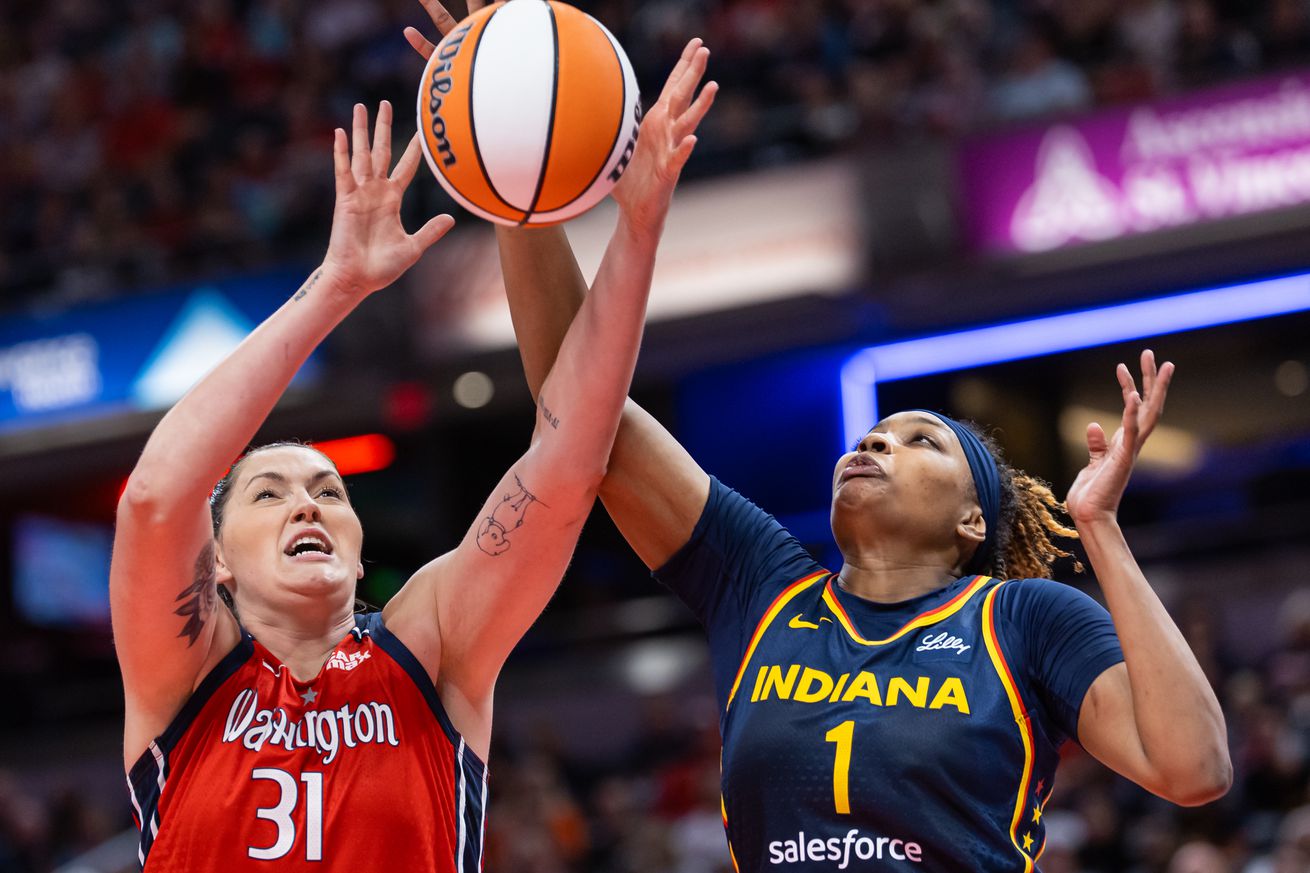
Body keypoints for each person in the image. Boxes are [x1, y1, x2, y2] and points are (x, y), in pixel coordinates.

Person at [409, 12, 1233, 871]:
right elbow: (578, 416)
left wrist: (1098, 530)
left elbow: (1193, 767)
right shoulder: (762, 583)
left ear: (969, 524)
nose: (875, 444)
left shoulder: (1024, 618)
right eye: (874, 433)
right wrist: (511, 171)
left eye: (922, 442)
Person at [111, 77, 710, 870]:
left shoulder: (429, 641)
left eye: (329, 492)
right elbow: (157, 496)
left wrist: (634, 230)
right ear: (216, 560)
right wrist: (339, 284)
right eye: (270, 491)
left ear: (360, 551)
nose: (308, 506)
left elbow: (568, 462)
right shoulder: (185, 672)